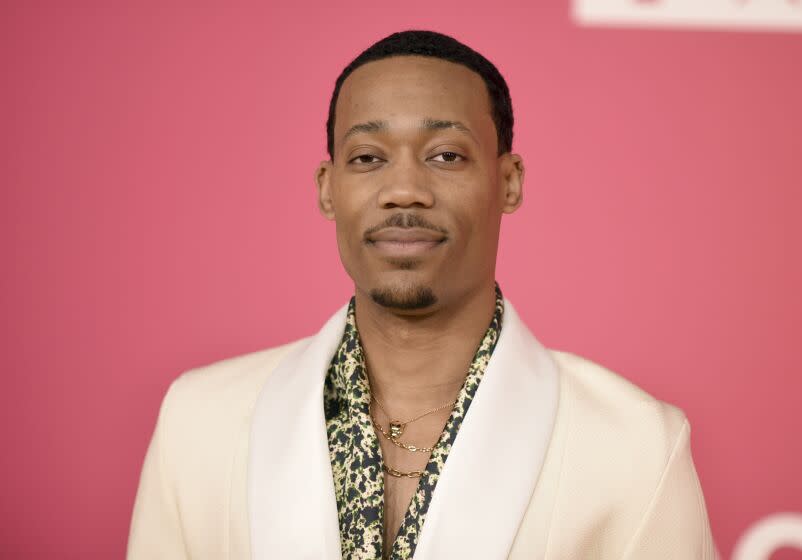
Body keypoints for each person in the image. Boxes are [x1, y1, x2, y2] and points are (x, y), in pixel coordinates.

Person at [127, 30, 716, 560]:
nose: (404, 190)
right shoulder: (200, 421)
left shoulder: (636, 444)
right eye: (367, 158)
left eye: (445, 156)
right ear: (328, 190)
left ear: (507, 182)